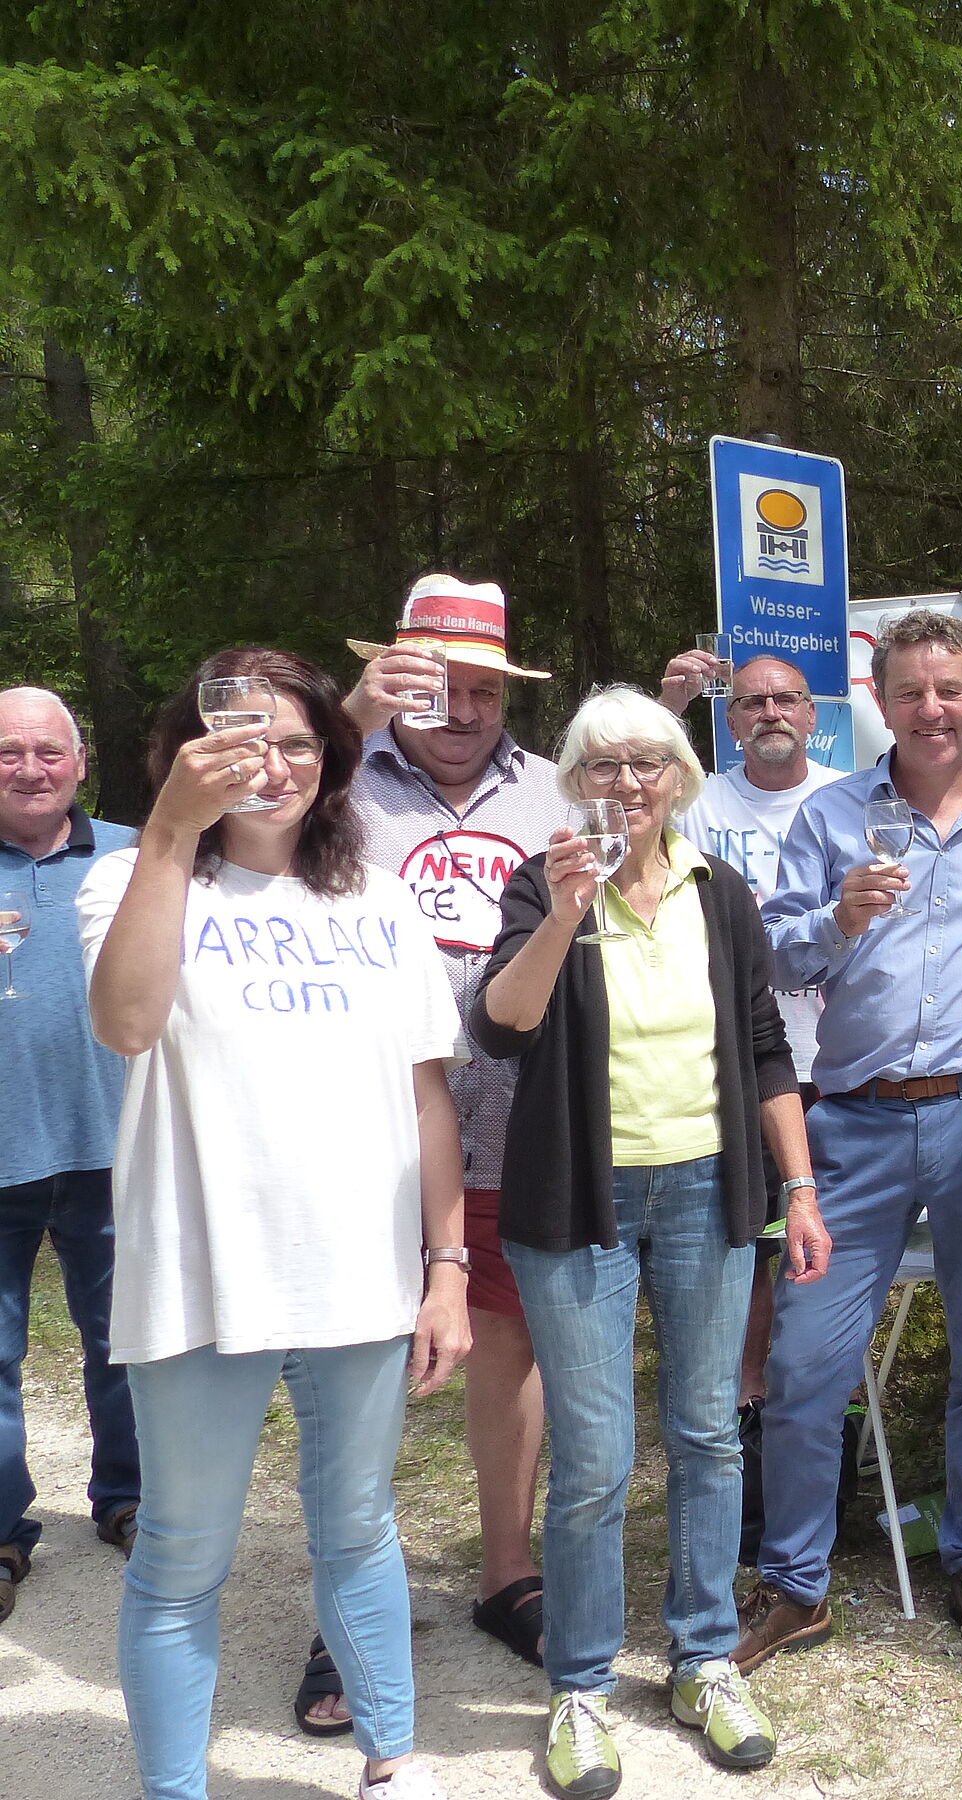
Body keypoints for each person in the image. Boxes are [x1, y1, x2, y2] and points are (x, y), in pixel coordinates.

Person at [79, 648, 470, 1800]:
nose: (274, 764)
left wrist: (447, 1266)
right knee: (182, 1551)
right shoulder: (134, 875)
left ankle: (391, 1761)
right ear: (186, 750)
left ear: (333, 761)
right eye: (244, 739)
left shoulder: (378, 898)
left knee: (359, 1528)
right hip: (202, 1272)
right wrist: (168, 831)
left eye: (299, 743)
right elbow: (126, 1025)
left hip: (359, 1271)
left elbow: (427, 1097)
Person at [470, 686, 823, 1800]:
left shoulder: (722, 894)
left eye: (647, 763)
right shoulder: (544, 884)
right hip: (580, 1199)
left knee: (709, 1433)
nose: (627, 783)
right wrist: (567, 915)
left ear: (680, 777)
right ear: (575, 782)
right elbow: (498, 1027)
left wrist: (799, 1189)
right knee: (594, 1457)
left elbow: (765, 1047)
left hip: (709, 1192)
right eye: (604, 765)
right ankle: (579, 1686)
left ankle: (703, 1659)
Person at [746, 609, 962, 1677]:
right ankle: (795, 1583)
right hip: (855, 1123)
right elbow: (775, 962)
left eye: (951, 689)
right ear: (879, 704)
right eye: (911, 692)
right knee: (805, 1361)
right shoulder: (832, 814)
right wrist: (837, 920)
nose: (933, 709)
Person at [316, 573, 562, 1721]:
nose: (460, 711)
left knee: (509, 1346)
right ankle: (344, 1611)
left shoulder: (554, 790)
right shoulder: (331, 778)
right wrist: (350, 717)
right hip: (362, 1130)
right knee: (357, 1365)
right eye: (436, 687)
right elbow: (225, 830)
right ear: (394, 679)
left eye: (482, 690)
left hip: (517, 1125)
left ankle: (506, 1573)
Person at [657, 652, 841, 1408]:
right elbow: (613, 805)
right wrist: (669, 707)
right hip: (736, 1057)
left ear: (812, 716)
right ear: (729, 722)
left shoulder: (847, 799)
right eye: (751, 702)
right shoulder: (696, 804)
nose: (770, 713)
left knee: (831, 1241)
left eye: (786, 700)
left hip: (837, 1059)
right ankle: (749, 1403)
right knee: (753, 1241)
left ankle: (821, 1402)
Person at [0, 688, 140, 1626]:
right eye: (7, 752)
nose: (30, 768)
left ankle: (132, 1499)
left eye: (48, 751)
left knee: (128, 1340)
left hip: (117, 1147)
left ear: (81, 762)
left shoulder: (140, 855)